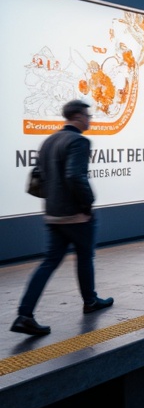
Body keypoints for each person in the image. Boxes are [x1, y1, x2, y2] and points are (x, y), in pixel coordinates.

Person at [11, 100, 113, 336]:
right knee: (85, 257)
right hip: (75, 214)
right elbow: (75, 175)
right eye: (88, 116)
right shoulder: (79, 141)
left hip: (53, 213)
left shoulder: (48, 141)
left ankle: (24, 315)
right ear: (77, 117)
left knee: (48, 262)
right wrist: (87, 203)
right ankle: (90, 301)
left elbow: (39, 176)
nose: (90, 120)